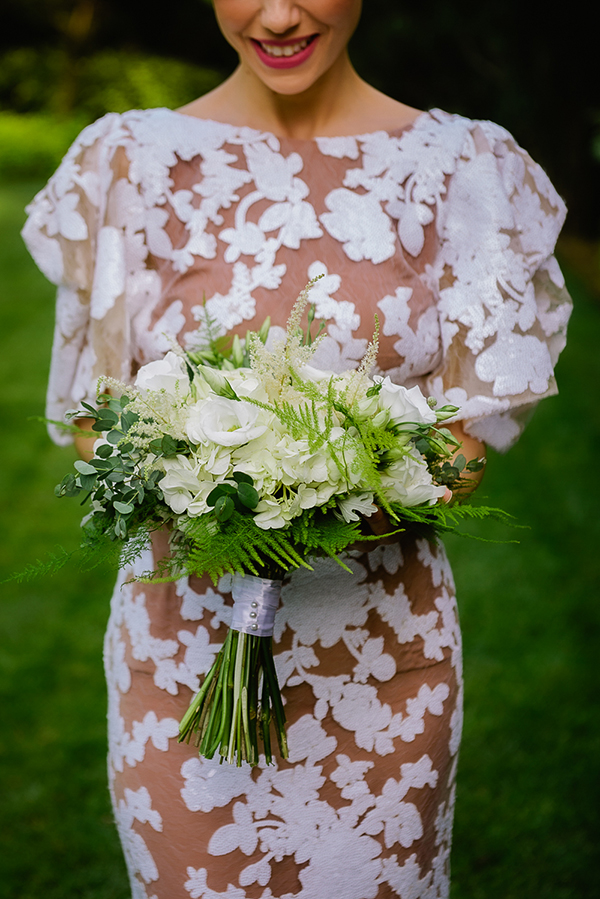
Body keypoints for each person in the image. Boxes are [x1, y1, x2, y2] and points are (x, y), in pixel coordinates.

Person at [22, 1, 571, 896]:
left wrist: (315, 503)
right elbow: (96, 423)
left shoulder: (465, 166)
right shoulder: (127, 161)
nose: (279, 16)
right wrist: (211, 493)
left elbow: (465, 447)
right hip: (183, 652)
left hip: (384, 657)